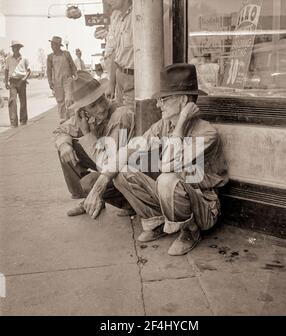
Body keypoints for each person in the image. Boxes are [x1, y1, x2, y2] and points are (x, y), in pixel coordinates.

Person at [79, 63, 228, 256]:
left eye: (163, 99)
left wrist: (182, 122)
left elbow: (168, 165)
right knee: (121, 172)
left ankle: (189, 231)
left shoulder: (206, 133)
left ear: (183, 101)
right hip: (172, 198)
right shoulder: (162, 125)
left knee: (167, 179)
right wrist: (100, 184)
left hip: (203, 207)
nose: (158, 105)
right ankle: (157, 221)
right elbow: (128, 150)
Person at [53, 71, 135, 214]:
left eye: (101, 100)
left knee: (89, 182)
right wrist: (64, 145)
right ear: (83, 111)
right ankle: (89, 199)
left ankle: (131, 205)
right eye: (93, 106)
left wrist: (87, 134)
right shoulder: (87, 116)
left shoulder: (119, 115)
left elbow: (108, 164)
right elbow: (61, 131)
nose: (101, 108)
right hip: (109, 166)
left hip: (126, 173)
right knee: (67, 147)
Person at [106, 0, 134, 110]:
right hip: (119, 76)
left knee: (129, 116)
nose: (108, 1)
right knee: (120, 115)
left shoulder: (138, 15)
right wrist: (111, 83)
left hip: (133, 78)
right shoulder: (115, 17)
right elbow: (114, 52)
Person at [47, 36, 77, 124]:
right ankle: (63, 120)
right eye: (51, 45)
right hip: (57, 82)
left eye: (53, 45)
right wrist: (50, 82)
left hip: (68, 80)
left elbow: (72, 65)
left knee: (69, 99)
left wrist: (76, 75)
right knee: (60, 101)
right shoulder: (50, 57)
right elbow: (48, 71)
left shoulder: (66, 54)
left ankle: (72, 119)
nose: (52, 46)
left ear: (58, 45)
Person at [5, 41, 31, 127]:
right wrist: (6, 82)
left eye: (16, 47)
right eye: (13, 47)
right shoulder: (8, 59)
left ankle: (23, 120)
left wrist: (24, 79)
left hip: (21, 81)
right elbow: (6, 70)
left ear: (19, 48)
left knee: (23, 101)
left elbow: (28, 71)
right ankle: (13, 122)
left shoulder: (24, 58)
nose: (14, 49)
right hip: (12, 81)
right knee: (12, 101)